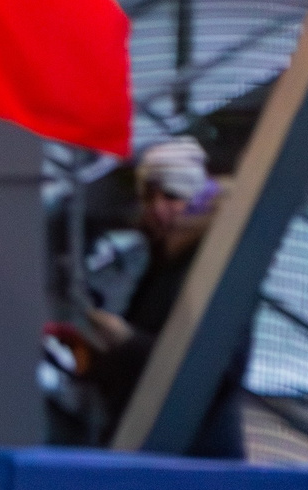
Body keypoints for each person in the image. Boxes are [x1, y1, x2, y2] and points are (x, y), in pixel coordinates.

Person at [69, 137, 248, 459]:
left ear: (197, 201)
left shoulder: (212, 269)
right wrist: (94, 358)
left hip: (198, 454)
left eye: (172, 196)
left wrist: (126, 341)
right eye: (150, 196)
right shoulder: (163, 263)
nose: (158, 208)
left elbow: (215, 367)